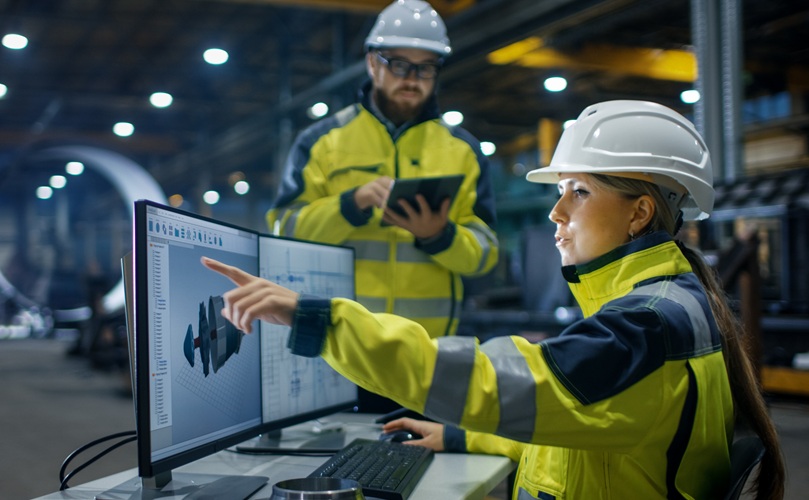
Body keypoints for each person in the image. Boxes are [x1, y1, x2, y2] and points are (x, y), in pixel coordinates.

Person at [203, 100, 785, 499]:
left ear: (640, 212)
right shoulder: (668, 301)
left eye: (579, 192)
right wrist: (461, 437)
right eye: (561, 193)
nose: (557, 213)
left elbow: (492, 380)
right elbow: (579, 422)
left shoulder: (643, 327)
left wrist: (316, 319)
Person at [267, 0, 499, 413]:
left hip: (426, 356)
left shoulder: (463, 151)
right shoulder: (322, 141)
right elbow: (283, 230)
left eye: (425, 67)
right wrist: (351, 205)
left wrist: (439, 236)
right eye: (399, 64)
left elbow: (485, 254)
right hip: (336, 348)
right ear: (373, 63)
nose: (412, 78)